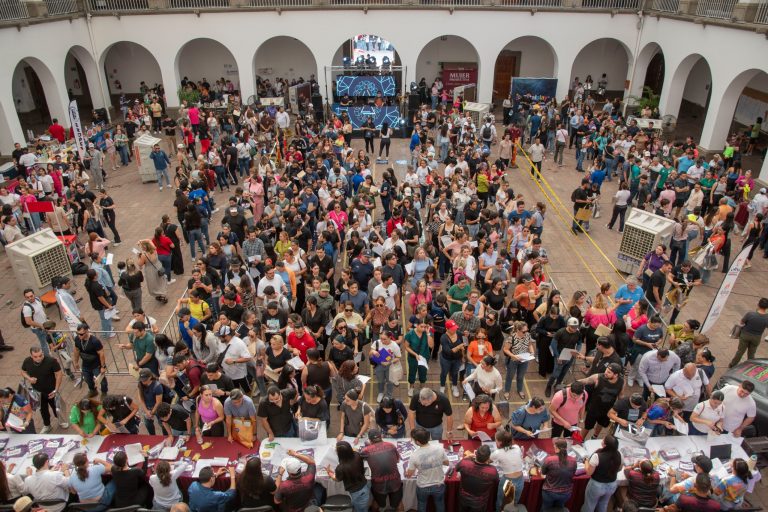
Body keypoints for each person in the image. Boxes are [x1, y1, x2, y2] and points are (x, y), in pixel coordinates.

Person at [20, 346, 67, 433]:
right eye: (35, 356)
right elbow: (23, 372)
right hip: (38, 392)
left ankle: (62, 421)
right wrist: (29, 378)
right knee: (43, 410)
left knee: (56, 407)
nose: (39, 358)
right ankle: (47, 425)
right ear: (31, 356)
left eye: (40, 355)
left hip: (51, 390)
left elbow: (59, 374)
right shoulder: (27, 361)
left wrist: (56, 389)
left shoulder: (51, 361)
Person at [406, 427, 448, 512]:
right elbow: (446, 463)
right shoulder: (439, 448)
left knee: (422, 505)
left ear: (417, 442)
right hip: (438, 484)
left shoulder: (414, 455)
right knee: (439, 504)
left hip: (423, 486)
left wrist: (407, 472)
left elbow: (409, 474)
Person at [360, 428, 403, 512]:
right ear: (381, 436)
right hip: (395, 481)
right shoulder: (391, 445)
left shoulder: (366, 450)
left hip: (378, 483)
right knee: (398, 503)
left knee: (377, 502)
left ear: (370, 439)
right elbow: (397, 460)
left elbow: (360, 456)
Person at [578, 363, 624, 440]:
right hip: (593, 409)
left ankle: (595, 436)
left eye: (609, 372)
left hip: (607, 410)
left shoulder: (621, 382)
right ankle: (580, 440)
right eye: (606, 370)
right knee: (587, 426)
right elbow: (584, 381)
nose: (606, 372)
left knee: (601, 424)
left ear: (616, 375)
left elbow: (621, 395)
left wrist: (618, 409)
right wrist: (571, 385)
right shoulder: (597, 377)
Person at [326, 441, 371, 512]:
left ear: (340, 453)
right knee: (360, 505)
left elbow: (337, 479)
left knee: (361, 509)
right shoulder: (357, 455)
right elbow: (355, 450)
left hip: (357, 492)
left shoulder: (340, 468)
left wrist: (329, 473)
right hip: (364, 485)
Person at [582, 435, 622, 512]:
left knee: (589, 505)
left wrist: (586, 461)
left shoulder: (597, 456)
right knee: (603, 504)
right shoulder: (619, 454)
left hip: (597, 485)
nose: (602, 440)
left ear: (605, 445)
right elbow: (619, 468)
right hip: (612, 484)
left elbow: (589, 472)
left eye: (603, 440)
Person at [455, 444, 499, 512]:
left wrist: (467, 457)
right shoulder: (492, 471)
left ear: (475, 454)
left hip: (463, 498)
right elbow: (496, 480)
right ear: (488, 458)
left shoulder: (464, 463)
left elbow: (457, 468)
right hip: (479, 502)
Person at [729, 297, 768, 368]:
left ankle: (732, 364)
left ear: (758, 304)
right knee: (752, 353)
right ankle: (750, 367)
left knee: (740, 351)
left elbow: (742, 322)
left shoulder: (750, 314)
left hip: (745, 335)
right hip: (756, 337)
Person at [72, 323, 108, 397]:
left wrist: (103, 367)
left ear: (87, 331)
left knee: (102, 381)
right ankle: (93, 391)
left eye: (81, 334)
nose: (79, 336)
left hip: (96, 365)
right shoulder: (77, 339)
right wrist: (76, 362)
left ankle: (104, 393)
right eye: (78, 333)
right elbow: (76, 350)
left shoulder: (95, 341)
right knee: (88, 380)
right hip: (85, 365)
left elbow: (101, 353)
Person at [490, 430, 524, 509]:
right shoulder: (517, 447)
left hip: (508, 481)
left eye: (496, 440)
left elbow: (488, 460)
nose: (495, 442)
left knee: (500, 502)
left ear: (500, 442)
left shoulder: (498, 453)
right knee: (514, 502)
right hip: (520, 479)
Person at [541, 438, 577, 510]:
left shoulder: (550, 459)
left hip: (549, 492)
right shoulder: (573, 461)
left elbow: (543, 472)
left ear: (556, 448)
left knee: (545, 508)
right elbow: (573, 473)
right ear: (566, 448)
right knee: (560, 509)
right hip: (566, 493)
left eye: (554, 447)